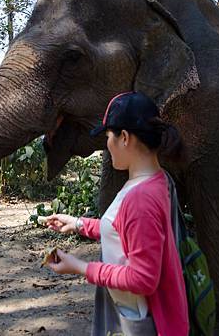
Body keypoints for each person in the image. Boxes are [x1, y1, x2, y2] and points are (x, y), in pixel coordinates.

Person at [44, 91, 189, 336]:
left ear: (124, 137)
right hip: (140, 313)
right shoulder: (154, 179)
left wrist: (80, 267)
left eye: (108, 136)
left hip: (148, 323)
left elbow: (143, 279)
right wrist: (80, 224)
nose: (107, 145)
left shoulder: (141, 196)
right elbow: (128, 229)